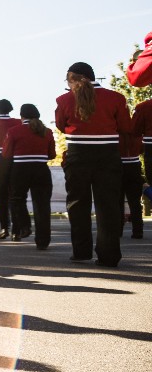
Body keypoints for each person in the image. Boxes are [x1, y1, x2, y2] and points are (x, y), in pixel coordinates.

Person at [55, 62, 131, 266]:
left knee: (78, 204)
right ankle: (109, 255)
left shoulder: (63, 100)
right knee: (108, 205)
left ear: (73, 78)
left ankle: (81, 251)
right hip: (108, 155)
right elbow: (125, 126)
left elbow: (62, 126)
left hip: (77, 154)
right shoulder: (116, 98)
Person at [2, 104, 56, 249]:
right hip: (41, 169)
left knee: (17, 199)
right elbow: (52, 155)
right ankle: (43, 241)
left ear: (22, 116)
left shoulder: (13, 131)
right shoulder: (47, 131)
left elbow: (6, 154)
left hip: (20, 169)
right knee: (42, 205)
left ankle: (24, 226)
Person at [0, 99, 23, 239]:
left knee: (1, 194)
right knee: (15, 194)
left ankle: (4, 227)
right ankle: (16, 230)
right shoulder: (17, 122)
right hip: (14, 157)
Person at [119, 127, 144, 239]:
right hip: (134, 165)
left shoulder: (115, 133)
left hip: (118, 166)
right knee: (135, 202)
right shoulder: (137, 134)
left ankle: (117, 230)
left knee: (117, 201)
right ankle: (138, 230)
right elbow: (142, 149)